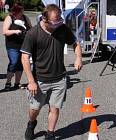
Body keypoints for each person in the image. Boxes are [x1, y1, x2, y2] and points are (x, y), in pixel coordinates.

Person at [21, 4, 82, 140]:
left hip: (59, 78)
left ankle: (50, 133)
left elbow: (75, 43)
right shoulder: (33, 33)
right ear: (44, 19)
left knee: (54, 108)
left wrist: (78, 57)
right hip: (39, 80)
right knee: (34, 109)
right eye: (56, 21)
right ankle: (31, 124)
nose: (59, 23)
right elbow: (24, 58)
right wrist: (31, 81)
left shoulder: (62, 29)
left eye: (60, 19)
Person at [2, 2, 32, 90]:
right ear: (16, 10)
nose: (23, 11)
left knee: (21, 64)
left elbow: (31, 28)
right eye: (21, 10)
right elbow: (4, 32)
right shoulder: (9, 18)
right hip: (12, 45)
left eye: (23, 9)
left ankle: (17, 83)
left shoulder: (25, 17)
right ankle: (8, 82)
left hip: (24, 45)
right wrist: (15, 31)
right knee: (14, 62)